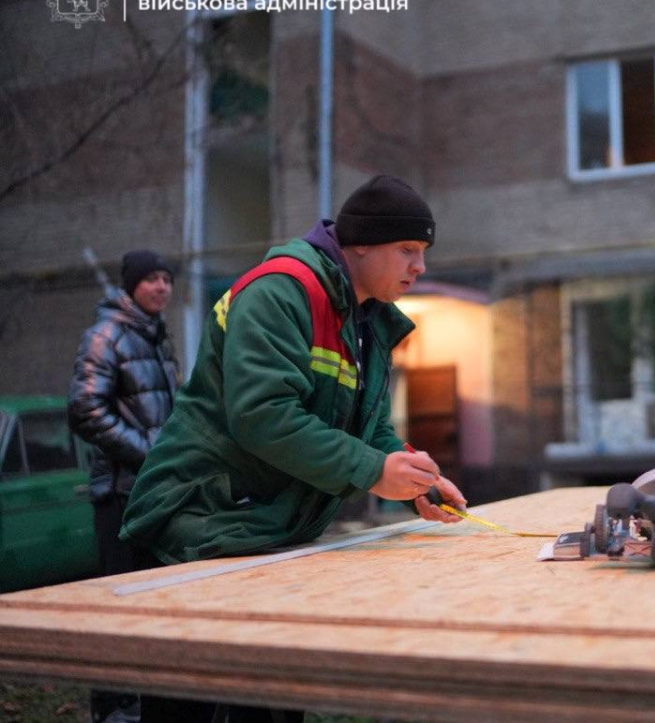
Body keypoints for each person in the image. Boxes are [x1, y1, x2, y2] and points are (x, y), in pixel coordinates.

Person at [120, 175, 466, 723]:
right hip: (197, 526)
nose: (419, 266)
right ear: (360, 245)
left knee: (273, 705)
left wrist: (413, 475)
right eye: (408, 250)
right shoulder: (280, 291)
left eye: (422, 252)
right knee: (190, 711)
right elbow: (263, 417)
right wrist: (375, 470)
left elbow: (365, 425)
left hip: (263, 534)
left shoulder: (367, 319)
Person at [69, 249, 178, 723]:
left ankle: (149, 705)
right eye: (151, 279)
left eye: (167, 279)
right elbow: (85, 410)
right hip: (120, 496)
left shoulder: (157, 338)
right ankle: (114, 712)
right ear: (131, 285)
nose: (161, 287)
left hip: (156, 495)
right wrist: (149, 454)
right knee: (120, 609)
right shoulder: (106, 335)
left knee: (157, 603)